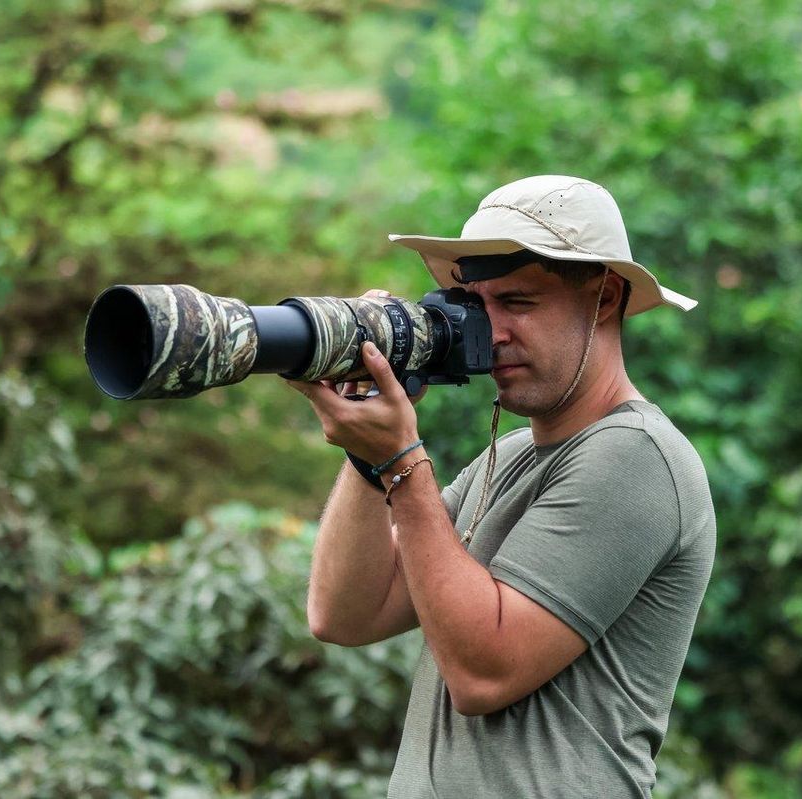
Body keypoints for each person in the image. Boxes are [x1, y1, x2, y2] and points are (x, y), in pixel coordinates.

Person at [287, 175, 716, 798]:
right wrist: (365, 453)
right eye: (475, 306)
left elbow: (484, 675)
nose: (492, 333)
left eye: (517, 302)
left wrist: (402, 462)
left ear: (604, 298)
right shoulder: (509, 457)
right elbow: (345, 613)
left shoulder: (637, 457)